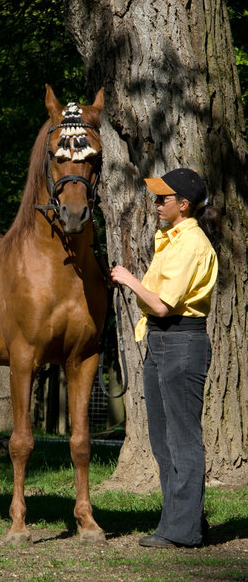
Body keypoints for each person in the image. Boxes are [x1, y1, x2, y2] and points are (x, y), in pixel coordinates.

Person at [111, 168, 220, 548]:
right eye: (157, 198)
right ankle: (180, 522)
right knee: (162, 439)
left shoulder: (191, 244)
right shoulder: (170, 239)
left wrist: (128, 279)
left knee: (182, 439)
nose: (157, 204)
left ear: (183, 205)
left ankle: (184, 532)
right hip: (162, 343)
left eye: (163, 198)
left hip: (181, 343)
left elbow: (160, 304)